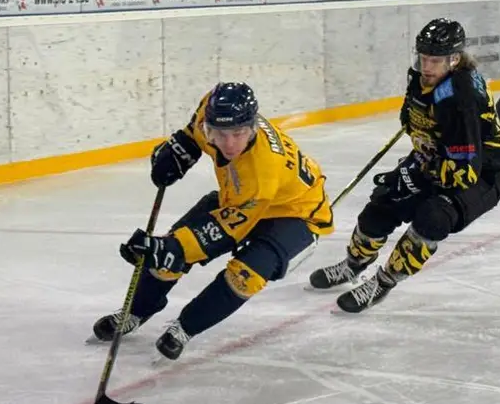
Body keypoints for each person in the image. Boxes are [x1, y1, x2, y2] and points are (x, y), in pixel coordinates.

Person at [93, 83, 332, 359]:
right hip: (238, 198)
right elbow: (192, 135)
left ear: (252, 127)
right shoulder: (209, 111)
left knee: (244, 274)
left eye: (239, 134)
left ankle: (185, 328)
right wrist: (181, 147)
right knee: (170, 248)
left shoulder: (263, 170)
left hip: (297, 215)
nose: (229, 143)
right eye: (219, 134)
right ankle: (136, 311)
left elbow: (225, 230)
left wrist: (171, 250)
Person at [309, 19, 500, 313]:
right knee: (384, 201)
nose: (427, 66)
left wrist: (420, 173)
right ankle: (354, 265)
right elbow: (413, 120)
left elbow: (464, 171)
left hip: (482, 173)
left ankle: (383, 282)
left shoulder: (460, 97)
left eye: (435, 60)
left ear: (454, 60)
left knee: (433, 217)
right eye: (423, 58)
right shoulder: (422, 79)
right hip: (436, 158)